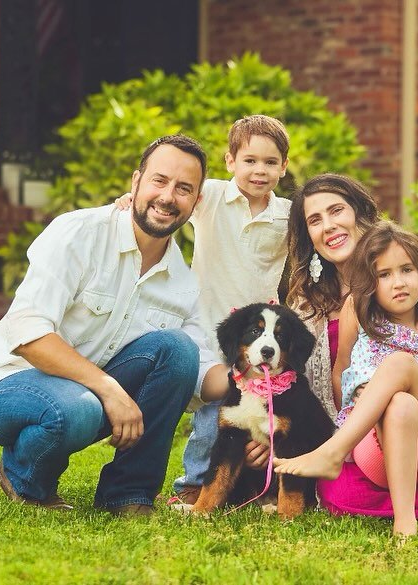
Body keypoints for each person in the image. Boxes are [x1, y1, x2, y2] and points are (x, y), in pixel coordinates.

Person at [0, 135, 229, 516]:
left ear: (196, 201)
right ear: (136, 182)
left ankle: (129, 494)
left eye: (184, 188)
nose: (168, 196)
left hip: (88, 393)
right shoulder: (79, 232)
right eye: (159, 180)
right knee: (78, 409)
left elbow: (199, 369)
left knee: (179, 350)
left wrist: (253, 378)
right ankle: (23, 477)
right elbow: (28, 334)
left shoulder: (181, 281)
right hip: (8, 384)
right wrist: (108, 389)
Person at [266, 173, 418, 534]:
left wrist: (403, 381)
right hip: (368, 440)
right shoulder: (311, 301)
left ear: (360, 212)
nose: (329, 225)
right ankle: (403, 522)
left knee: (401, 374)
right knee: (400, 404)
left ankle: (336, 453)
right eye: (315, 220)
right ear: (308, 236)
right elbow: (330, 384)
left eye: (337, 210)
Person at [114, 115, 291, 505]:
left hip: (259, 334)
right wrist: (129, 201)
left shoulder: (287, 217)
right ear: (230, 161)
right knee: (213, 410)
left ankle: (250, 485)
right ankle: (193, 483)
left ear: (284, 166)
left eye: (270, 162)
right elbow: (169, 202)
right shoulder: (209, 196)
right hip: (209, 324)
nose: (259, 170)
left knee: (258, 408)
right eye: (249, 160)